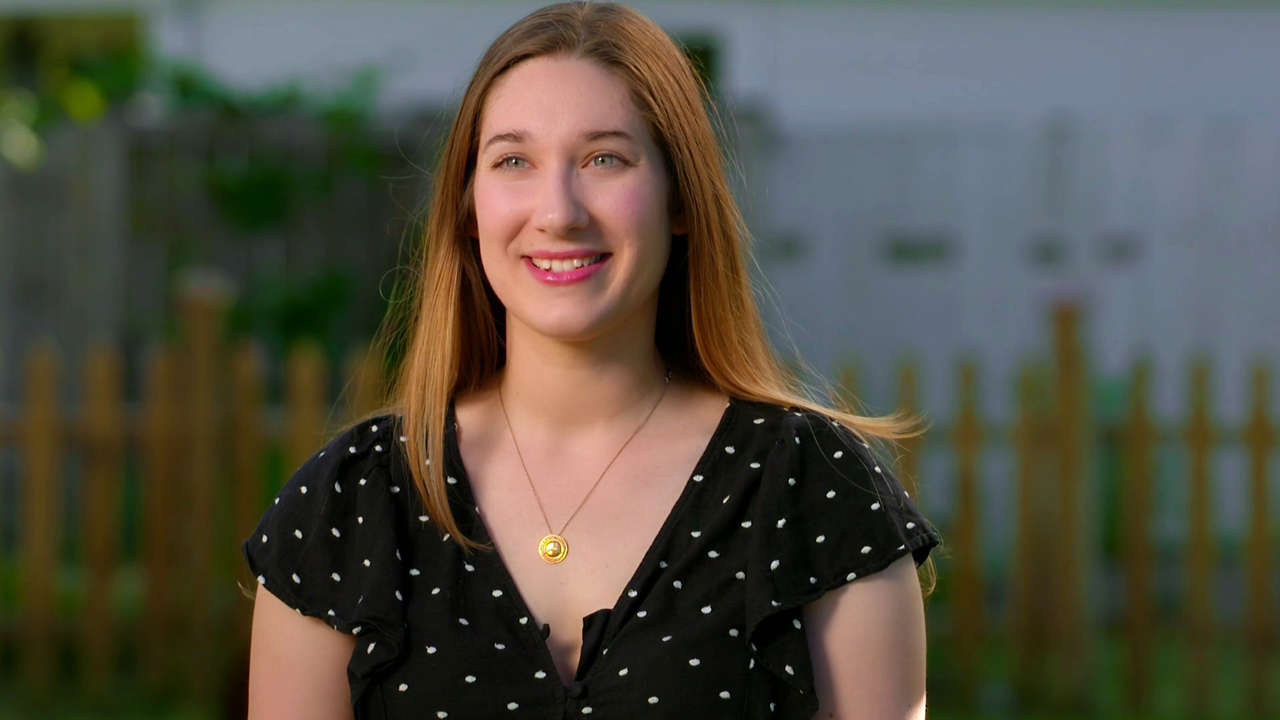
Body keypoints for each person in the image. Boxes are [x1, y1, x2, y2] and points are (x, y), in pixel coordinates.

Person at [243, 2, 940, 718]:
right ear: (469, 206)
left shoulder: (815, 487)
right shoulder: (348, 502)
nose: (559, 212)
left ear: (680, 198)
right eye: (513, 161)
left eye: (605, 159)